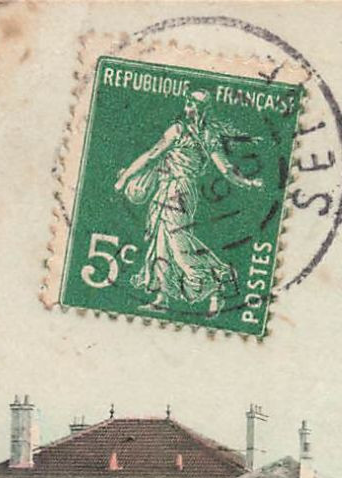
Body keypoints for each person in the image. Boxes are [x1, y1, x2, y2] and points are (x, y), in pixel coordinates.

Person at [111, 90, 262, 317]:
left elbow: (225, 168)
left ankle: (216, 284)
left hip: (181, 191)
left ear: (203, 109)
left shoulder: (205, 135)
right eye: (189, 103)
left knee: (179, 243)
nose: (189, 107)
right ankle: (162, 297)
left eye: (194, 104)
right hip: (166, 188)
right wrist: (125, 178)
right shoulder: (178, 130)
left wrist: (247, 182)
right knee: (161, 242)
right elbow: (152, 155)